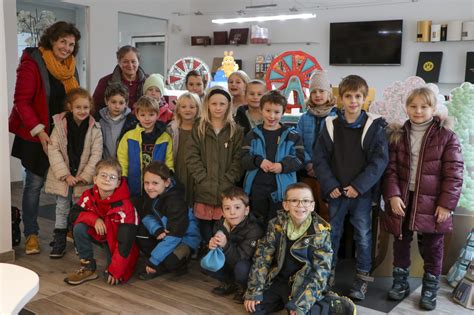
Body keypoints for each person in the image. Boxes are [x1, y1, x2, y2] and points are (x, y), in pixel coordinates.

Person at [382, 87, 464, 311]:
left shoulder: (447, 137)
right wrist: (392, 195)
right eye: (413, 106)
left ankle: (430, 288)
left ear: (433, 108)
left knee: (433, 246)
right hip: (403, 198)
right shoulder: (397, 136)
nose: (418, 111)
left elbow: (454, 173)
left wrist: (446, 204)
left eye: (424, 106)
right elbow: (389, 170)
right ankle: (400, 282)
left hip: (433, 201)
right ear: (406, 107)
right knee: (401, 239)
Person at [314, 75, 389, 300]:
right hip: (336, 192)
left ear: (365, 99)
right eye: (348, 96)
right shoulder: (330, 125)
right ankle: (327, 273)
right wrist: (330, 185)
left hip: (361, 194)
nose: (353, 101)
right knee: (332, 234)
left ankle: (362, 278)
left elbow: (379, 161)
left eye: (358, 96)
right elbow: (320, 159)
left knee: (363, 236)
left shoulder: (374, 126)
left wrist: (359, 186)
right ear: (340, 98)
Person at [9, 21, 81, 254]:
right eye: (63, 41)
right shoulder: (33, 62)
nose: (67, 47)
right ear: (52, 40)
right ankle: (31, 233)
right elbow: (21, 101)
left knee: (67, 183)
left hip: (63, 135)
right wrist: (39, 131)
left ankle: (66, 228)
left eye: (71, 44)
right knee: (34, 185)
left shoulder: (70, 67)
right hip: (37, 134)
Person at [244, 183, 356, 315]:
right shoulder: (276, 225)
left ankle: (333, 304)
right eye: (294, 200)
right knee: (254, 308)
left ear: (312, 205)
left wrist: (301, 304)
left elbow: (320, 272)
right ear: (286, 205)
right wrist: (254, 291)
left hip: (304, 283)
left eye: (306, 201)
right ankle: (284, 301)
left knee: (302, 311)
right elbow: (262, 258)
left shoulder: (320, 232)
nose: (300, 205)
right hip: (280, 280)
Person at [44, 87, 103, 258]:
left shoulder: (95, 128)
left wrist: (84, 176)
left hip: (83, 178)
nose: (82, 111)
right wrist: (65, 175)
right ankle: (60, 240)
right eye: (78, 107)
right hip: (64, 177)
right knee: (62, 208)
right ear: (70, 107)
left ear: (90, 107)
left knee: (81, 209)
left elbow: (96, 154)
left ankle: (79, 239)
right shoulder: (59, 125)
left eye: (86, 107)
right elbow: (53, 150)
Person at [64, 158, 139, 286]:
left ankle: (116, 265)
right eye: (103, 175)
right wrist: (94, 220)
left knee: (113, 276)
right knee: (79, 227)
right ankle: (88, 267)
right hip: (100, 234)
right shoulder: (89, 195)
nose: (107, 179)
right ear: (95, 179)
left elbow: (125, 243)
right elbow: (72, 215)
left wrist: (116, 270)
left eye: (112, 177)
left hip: (117, 242)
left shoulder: (126, 207)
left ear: (118, 183)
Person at [186, 86, 243, 246]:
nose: (218, 108)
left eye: (222, 104)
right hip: (203, 189)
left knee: (222, 226)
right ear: (207, 105)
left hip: (226, 187)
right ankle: (206, 253)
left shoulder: (235, 130)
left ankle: (219, 256)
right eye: (214, 104)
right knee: (204, 227)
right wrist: (202, 178)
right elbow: (191, 156)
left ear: (228, 106)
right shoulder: (199, 127)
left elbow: (239, 159)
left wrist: (229, 179)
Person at [242, 90, 305, 228]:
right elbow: (243, 159)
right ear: (261, 110)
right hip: (257, 190)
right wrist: (259, 161)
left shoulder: (292, 136)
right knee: (257, 226)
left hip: (282, 192)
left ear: (283, 112)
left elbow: (300, 160)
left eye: (276, 112)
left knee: (278, 228)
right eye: (268, 111)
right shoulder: (252, 135)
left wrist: (282, 166)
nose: (272, 116)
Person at [135, 161, 200, 280]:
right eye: (146, 183)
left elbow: (175, 234)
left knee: (171, 261)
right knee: (140, 233)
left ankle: (171, 263)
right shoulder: (151, 194)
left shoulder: (175, 202)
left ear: (166, 182)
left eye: (155, 183)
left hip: (183, 238)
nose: (149, 187)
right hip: (166, 233)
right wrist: (157, 229)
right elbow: (146, 215)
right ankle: (158, 262)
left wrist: (153, 260)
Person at [205, 187, 263, 303]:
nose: (232, 212)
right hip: (230, 259)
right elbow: (217, 249)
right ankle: (229, 283)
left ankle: (243, 287)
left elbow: (241, 258)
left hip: (247, 266)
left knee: (241, 268)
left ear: (246, 210)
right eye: (227, 208)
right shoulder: (220, 224)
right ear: (222, 212)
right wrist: (212, 246)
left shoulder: (254, 229)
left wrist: (225, 245)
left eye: (237, 207)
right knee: (207, 260)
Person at [296, 70, 338, 222]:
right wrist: (308, 163)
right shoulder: (304, 118)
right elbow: (298, 143)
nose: (318, 95)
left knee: (326, 210)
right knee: (306, 208)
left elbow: (336, 147)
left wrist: (320, 166)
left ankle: (325, 242)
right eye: (314, 92)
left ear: (329, 93)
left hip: (327, 173)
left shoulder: (336, 117)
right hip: (307, 173)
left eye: (322, 91)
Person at [117, 96, 173, 197]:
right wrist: (123, 177)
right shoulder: (128, 136)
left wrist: (169, 175)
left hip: (157, 188)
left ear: (157, 115)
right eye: (143, 115)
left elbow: (169, 160)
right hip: (133, 186)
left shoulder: (165, 137)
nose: (147, 119)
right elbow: (122, 159)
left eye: (151, 114)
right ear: (137, 116)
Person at [167, 92, 201, 207]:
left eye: (192, 107)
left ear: (198, 109)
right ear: (178, 109)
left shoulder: (201, 129)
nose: (188, 110)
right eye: (183, 107)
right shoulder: (172, 129)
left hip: (196, 171)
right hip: (179, 168)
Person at [93, 45, 147, 110]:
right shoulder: (105, 82)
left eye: (133, 61)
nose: (130, 65)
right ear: (119, 62)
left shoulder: (148, 81)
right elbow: (94, 107)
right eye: (125, 61)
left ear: (138, 62)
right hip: (113, 120)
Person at [94, 83, 137, 159]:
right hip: (103, 164)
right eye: (113, 102)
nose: (117, 106)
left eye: (121, 103)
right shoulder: (98, 119)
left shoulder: (132, 121)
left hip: (123, 164)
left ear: (126, 103)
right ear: (106, 101)